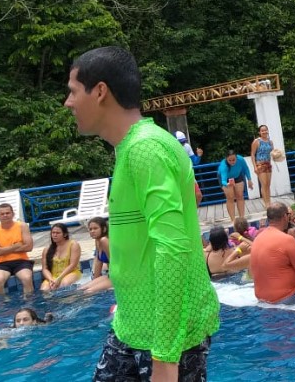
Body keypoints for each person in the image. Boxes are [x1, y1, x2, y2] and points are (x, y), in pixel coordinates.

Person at [65, 46, 217, 380]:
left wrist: (165, 357)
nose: (68, 102)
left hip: (167, 337)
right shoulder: (131, 148)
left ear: (100, 91)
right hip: (130, 326)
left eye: (73, 91)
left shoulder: (146, 149)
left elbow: (173, 248)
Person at [251, 202, 295, 304]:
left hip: (262, 298)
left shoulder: (257, 239)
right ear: (285, 216)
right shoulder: (287, 240)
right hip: (286, 296)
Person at [0, 203, 35, 295]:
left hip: (21, 261)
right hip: (2, 263)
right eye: (2, 214)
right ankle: (3, 303)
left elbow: (29, 247)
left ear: (13, 214)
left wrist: (3, 250)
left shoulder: (22, 226)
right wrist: (15, 246)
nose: (5, 215)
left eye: (8, 213)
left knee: (27, 278)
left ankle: (29, 301)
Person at [40, 224, 82, 291]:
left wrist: (59, 279)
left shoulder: (73, 245)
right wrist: (51, 280)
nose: (55, 235)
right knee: (44, 289)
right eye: (53, 233)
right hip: (53, 276)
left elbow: (73, 265)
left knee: (64, 284)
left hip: (71, 273)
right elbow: (45, 269)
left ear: (65, 234)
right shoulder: (46, 249)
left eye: (58, 233)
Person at [80, 216, 112, 294]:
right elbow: (98, 262)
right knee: (81, 289)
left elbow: (114, 262)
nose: (92, 231)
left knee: (89, 291)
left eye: (95, 228)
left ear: (104, 229)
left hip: (118, 277)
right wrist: (94, 280)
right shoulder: (97, 241)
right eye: (90, 229)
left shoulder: (104, 240)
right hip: (110, 275)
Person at [219, 150, 254, 221]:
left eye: (233, 160)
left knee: (240, 196)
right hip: (226, 179)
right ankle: (233, 220)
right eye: (230, 160)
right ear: (226, 159)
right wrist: (227, 184)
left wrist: (249, 180)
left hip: (237, 175)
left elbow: (246, 169)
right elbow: (223, 181)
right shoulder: (223, 166)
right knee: (230, 197)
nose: (232, 162)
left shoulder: (240, 159)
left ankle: (242, 217)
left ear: (236, 157)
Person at [251, 125, 275, 209]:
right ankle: (266, 204)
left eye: (265, 130)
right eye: (262, 130)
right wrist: (255, 167)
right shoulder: (257, 141)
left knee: (268, 185)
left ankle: (269, 202)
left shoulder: (270, 142)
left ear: (268, 131)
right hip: (260, 164)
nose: (264, 132)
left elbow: (272, 153)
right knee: (264, 184)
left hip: (268, 164)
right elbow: (252, 155)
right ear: (259, 132)